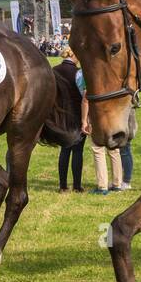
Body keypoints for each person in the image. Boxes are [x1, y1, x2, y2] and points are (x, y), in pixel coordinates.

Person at [76, 64, 122, 194]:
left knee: (98, 150)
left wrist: (84, 120)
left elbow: (86, 98)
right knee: (114, 150)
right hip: (113, 115)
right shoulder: (113, 72)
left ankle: (102, 186)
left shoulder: (90, 72)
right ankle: (117, 183)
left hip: (97, 116)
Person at [55, 49, 85, 193]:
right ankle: (77, 185)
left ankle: (62, 185)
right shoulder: (79, 73)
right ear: (73, 55)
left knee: (64, 150)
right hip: (78, 114)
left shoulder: (54, 71)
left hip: (61, 116)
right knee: (78, 151)